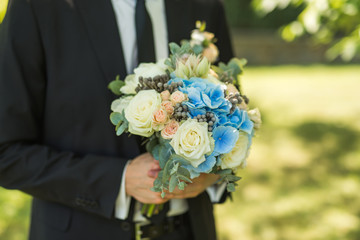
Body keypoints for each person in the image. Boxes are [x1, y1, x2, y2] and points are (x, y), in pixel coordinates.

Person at [0, 0, 234, 239]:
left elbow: (233, 114)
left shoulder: (205, 5)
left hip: (189, 231)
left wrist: (211, 174)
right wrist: (117, 181)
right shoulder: (38, 7)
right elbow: (7, 152)